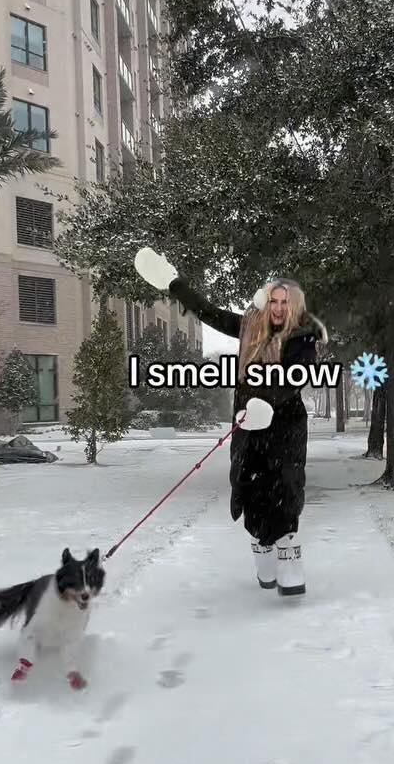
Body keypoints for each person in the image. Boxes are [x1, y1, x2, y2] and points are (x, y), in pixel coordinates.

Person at [134, 248, 327, 597]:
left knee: (285, 485)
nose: (279, 308)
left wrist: (267, 402)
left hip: (284, 426)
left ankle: (288, 553)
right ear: (265, 304)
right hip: (248, 424)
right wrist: (174, 284)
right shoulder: (249, 328)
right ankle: (262, 548)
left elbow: (295, 377)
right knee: (249, 486)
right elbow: (209, 313)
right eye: (274, 301)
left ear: (294, 306)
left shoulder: (304, 337)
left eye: (286, 302)